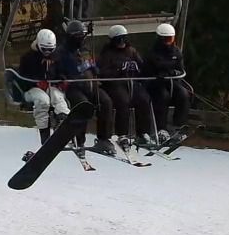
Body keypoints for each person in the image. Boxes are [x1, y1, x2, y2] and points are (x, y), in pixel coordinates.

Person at [57, 20, 115, 154]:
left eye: (82, 35)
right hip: (74, 86)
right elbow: (60, 69)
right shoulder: (62, 51)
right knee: (83, 105)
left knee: (106, 101)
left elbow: (91, 63)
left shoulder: (84, 49)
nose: (81, 39)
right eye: (78, 36)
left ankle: (104, 138)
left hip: (90, 83)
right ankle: (79, 140)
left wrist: (95, 69)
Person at [97, 24, 154, 146]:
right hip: (115, 84)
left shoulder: (131, 51)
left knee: (144, 99)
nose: (122, 42)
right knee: (123, 101)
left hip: (131, 82)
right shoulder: (108, 53)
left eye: (124, 38)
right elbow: (102, 72)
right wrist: (118, 70)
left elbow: (142, 66)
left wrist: (137, 68)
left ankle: (143, 132)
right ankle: (122, 134)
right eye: (119, 39)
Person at [17, 29, 71, 144]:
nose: (47, 52)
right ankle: (45, 135)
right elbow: (22, 79)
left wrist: (61, 79)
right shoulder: (28, 58)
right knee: (43, 101)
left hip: (50, 86)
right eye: (44, 49)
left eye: (50, 49)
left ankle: (63, 121)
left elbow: (61, 72)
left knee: (57, 97)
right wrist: (36, 82)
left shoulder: (56, 57)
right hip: (31, 90)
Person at [146, 22, 191, 143]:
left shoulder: (176, 52)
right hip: (155, 84)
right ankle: (161, 129)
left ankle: (178, 126)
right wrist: (161, 72)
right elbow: (152, 67)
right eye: (166, 39)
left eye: (170, 39)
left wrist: (173, 72)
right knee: (163, 96)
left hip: (172, 82)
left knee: (184, 94)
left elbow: (180, 68)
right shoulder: (153, 52)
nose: (168, 42)